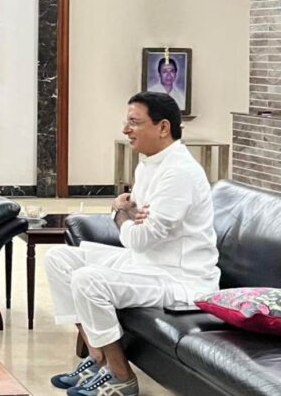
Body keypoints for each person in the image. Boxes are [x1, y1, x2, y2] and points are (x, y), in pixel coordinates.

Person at [44, 92, 219, 396]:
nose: (125, 130)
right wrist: (126, 216)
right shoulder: (146, 165)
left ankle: (121, 376)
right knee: (58, 259)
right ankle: (98, 357)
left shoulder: (180, 173)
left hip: (180, 278)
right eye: (126, 122)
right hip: (146, 264)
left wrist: (119, 213)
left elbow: (140, 238)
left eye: (134, 122)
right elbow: (136, 227)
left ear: (163, 127)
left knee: (88, 280)